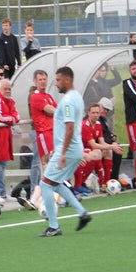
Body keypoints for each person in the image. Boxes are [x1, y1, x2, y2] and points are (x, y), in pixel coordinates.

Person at [37, 66, 92, 237]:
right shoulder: (77, 97)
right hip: (73, 148)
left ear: (67, 80)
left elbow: (69, 127)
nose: (56, 83)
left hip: (68, 149)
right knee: (56, 183)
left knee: (45, 184)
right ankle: (82, 213)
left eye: (58, 80)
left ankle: (54, 226)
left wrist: (62, 153)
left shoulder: (68, 101)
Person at [26, 69, 57, 207]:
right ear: (35, 81)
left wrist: (54, 112)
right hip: (44, 133)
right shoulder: (36, 96)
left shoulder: (48, 96)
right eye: (40, 79)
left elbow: (53, 110)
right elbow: (51, 110)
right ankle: (37, 197)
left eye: (44, 79)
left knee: (53, 164)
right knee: (46, 164)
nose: (43, 82)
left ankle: (42, 196)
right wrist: (54, 112)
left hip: (53, 132)